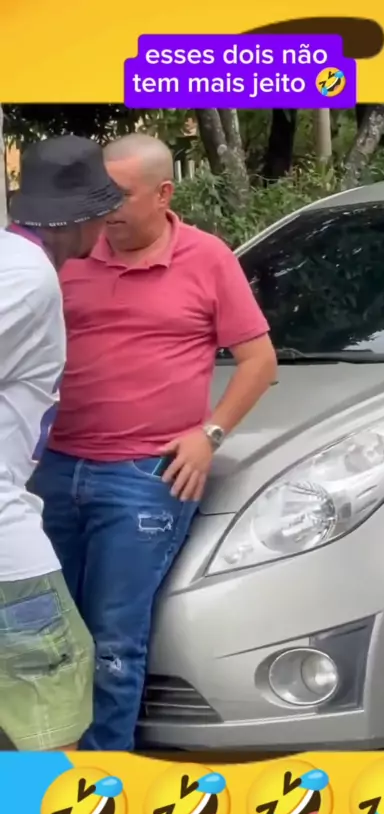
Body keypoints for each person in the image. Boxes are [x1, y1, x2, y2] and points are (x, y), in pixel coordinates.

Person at [29, 132, 277, 751]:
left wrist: (209, 435)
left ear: (164, 194)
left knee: (114, 639)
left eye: (117, 194)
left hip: (145, 476)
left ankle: (104, 782)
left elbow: (259, 361)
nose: (102, 206)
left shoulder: (207, 258)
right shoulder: (70, 249)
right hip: (52, 467)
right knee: (45, 636)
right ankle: (46, 773)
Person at [0, 135, 124, 750]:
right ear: (80, 219)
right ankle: (41, 811)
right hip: (5, 540)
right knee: (54, 684)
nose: (106, 227)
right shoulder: (29, 276)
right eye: (103, 214)